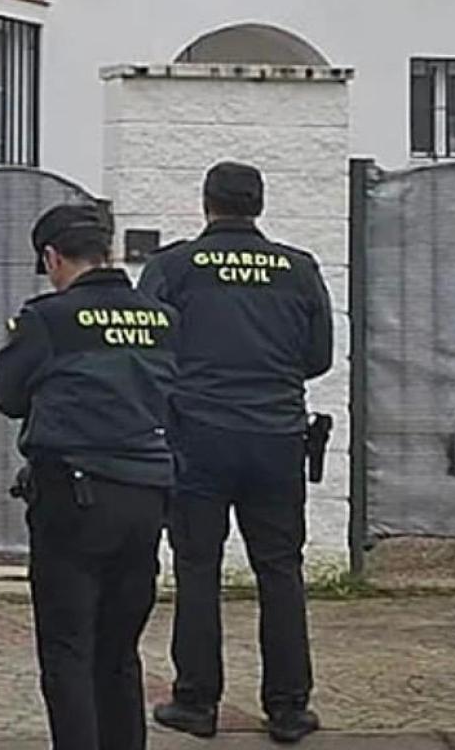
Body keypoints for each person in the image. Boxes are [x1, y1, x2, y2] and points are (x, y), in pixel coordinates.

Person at [140, 161, 334, 745]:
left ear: (207, 204)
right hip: (276, 438)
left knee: (198, 567)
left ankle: (196, 702)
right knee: (280, 569)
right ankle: (289, 708)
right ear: (259, 205)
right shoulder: (299, 270)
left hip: (197, 436)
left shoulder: (174, 267)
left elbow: (149, 346)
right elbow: (318, 357)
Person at [0, 200, 179, 750]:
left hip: (74, 499)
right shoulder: (162, 318)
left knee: (69, 652)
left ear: (52, 258)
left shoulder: (48, 319)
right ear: (108, 252)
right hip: (147, 498)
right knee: (119, 652)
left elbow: (7, 396)